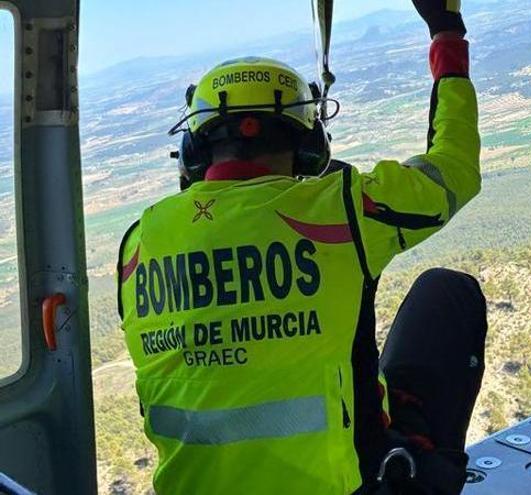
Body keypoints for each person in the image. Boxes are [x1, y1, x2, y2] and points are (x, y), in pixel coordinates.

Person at [116, 1, 486, 493]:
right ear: (311, 145)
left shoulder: (136, 247)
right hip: (346, 486)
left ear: (194, 150)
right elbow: (454, 170)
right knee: (448, 293)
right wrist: (446, 32)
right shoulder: (340, 207)